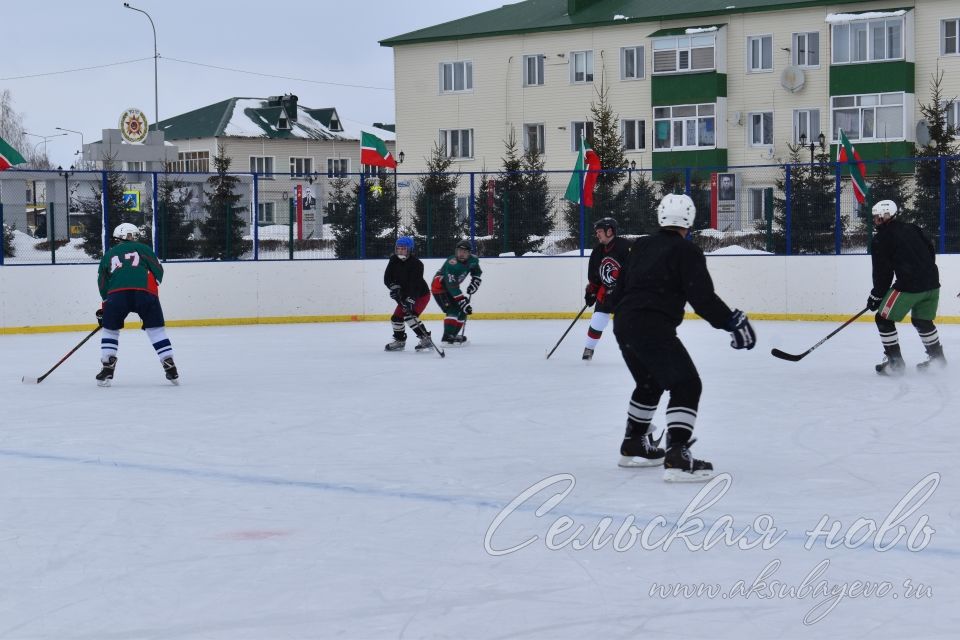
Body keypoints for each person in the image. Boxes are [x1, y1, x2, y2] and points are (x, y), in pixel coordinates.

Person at [612, 194, 756, 482]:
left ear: (660, 217)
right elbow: (701, 298)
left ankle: (633, 444)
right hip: (651, 326)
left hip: (624, 323)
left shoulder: (640, 245)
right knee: (687, 384)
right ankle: (677, 456)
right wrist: (731, 322)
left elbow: (620, 287)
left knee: (649, 383)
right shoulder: (686, 251)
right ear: (689, 221)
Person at [867, 200, 946, 375]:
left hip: (909, 287)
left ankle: (895, 364)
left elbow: (882, 273)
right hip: (932, 284)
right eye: (875, 216)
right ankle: (938, 360)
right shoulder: (913, 228)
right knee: (922, 321)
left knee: (883, 319)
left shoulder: (880, 239)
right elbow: (930, 250)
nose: (876, 219)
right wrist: (924, 272)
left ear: (886, 216)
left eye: (878, 216)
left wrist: (876, 296)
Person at [95, 223, 178, 386]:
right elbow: (158, 269)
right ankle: (169, 363)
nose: (135, 238)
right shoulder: (144, 248)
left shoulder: (109, 254)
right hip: (145, 293)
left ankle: (108, 366)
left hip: (116, 295)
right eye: (133, 235)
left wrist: (105, 305)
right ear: (127, 236)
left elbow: (102, 282)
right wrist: (155, 284)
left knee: (110, 330)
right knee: (156, 330)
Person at [583, 217, 631, 361]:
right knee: (598, 320)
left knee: (631, 324)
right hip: (606, 293)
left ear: (610, 231)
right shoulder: (597, 251)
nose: (597, 234)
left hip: (625, 294)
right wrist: (591, 291)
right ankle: (588, 349)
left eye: (599, 231)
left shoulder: (625, 247)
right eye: (596, 232)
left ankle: (640, 352)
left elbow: (636, 270)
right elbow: (594, 276)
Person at [383, 236, 435, 352]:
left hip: (420, 295)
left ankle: (425, 338)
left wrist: (410, 300)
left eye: (403, 249)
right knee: (396, 318)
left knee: (409, 315)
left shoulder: (417, 264)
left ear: (410, 250)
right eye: (398, 248)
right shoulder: (393, 260)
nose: (400, 251)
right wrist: (394, 288)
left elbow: (415, 285)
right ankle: (400, 341)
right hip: (403, 294)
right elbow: (387, 278)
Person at [431, 239, 482, 344]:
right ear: (456, 251)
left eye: (464, 252)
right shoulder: (452, 264)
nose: (461, 254)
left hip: (451, 289)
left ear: (469, 253)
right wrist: (462, 300)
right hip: (440, 288)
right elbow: (452, 286)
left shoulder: (473, 260)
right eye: (459, 251)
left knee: (463, 310)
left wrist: (475, 281)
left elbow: (476, 271)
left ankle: (453, 336)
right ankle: (446, 338)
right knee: (453, 309)